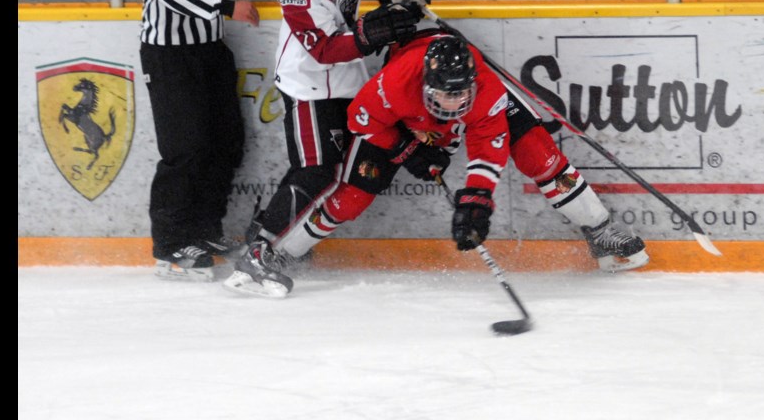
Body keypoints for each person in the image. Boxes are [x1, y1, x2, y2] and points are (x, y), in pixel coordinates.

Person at [225, 31, 650, 297]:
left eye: (459, 95)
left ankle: (602, 233)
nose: (453, 103)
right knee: (352, 195)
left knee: (538, 152)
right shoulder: (397, 82)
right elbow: (361, 118)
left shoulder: (482, 90)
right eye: (444, 95)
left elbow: (488, 146)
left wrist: (475, 203)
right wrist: (408, 150)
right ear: (426, 84)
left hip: (469, 104)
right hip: (403, 126)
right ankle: (279, 254)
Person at [222, 0, 430, 296]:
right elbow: (322, 49)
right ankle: (258, 251)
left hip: (350, 75)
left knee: (351, 163)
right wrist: (378, 31)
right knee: (316, 169)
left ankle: (279, 239)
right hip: (308, 81)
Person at [137, 0, 261, 281]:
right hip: (170, 55)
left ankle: (205, 228)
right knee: (184, 150)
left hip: (209, 47)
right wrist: (227, 8)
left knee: (224, 142)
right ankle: (170, 244)